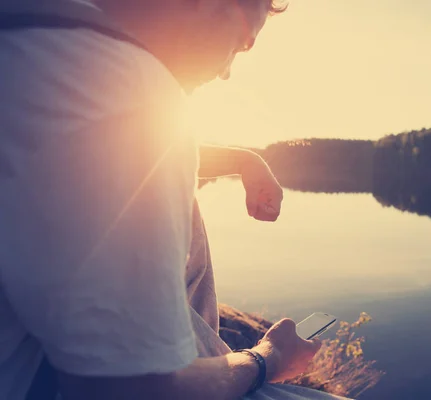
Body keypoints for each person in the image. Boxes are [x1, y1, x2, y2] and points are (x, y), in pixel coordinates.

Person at [0, 0, 351, 399]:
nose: (226, 72)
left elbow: (101, 149)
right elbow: (135, 391)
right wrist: (266, 358)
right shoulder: (124, 84)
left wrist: (242, 159)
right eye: (240, 44)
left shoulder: (35, 36)